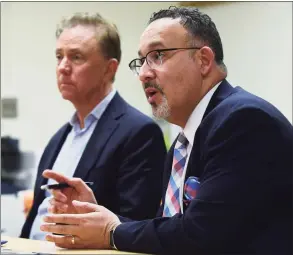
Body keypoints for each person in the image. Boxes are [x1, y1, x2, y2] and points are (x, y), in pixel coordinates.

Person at [40, 6, 292, 255]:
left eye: (158, 55)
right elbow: (170, 232)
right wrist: (99, 220)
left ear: (203, 60)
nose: (144, 74)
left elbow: (201, 234)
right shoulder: (181, 144)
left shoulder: (243, 120)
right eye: (141, 61)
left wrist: (112, 231)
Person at [20, 12, 167, 240]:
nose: (63, 67)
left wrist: (85, 215)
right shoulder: (60, 137)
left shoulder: (140, 133)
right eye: (59, 57)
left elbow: (140, 225)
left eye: (76, 57)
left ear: (110, 69)